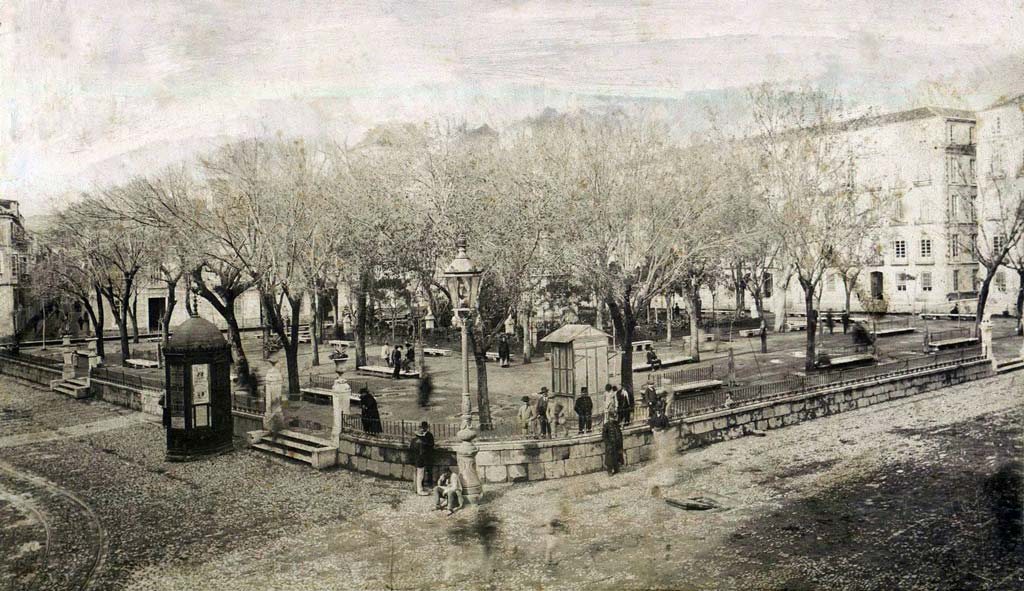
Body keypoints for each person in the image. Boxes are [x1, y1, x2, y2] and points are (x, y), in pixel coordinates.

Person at [409, 421, 434, 495]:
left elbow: (411, 448)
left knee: (417, 474)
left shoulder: (414, 440)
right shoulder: (421, 441)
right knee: (420, 474)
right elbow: (426, 448)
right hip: (420, 458)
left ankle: (416, 488)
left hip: (416, 458)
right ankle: (419, 490)